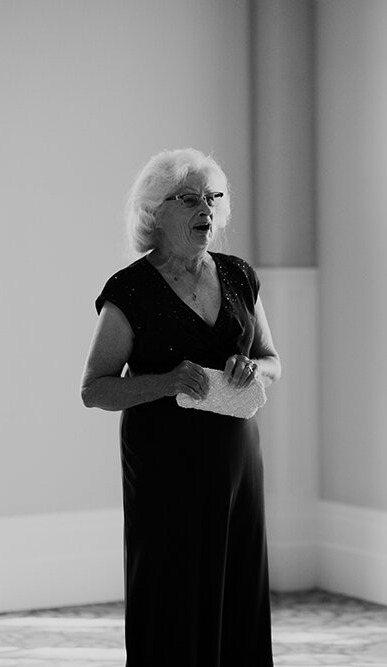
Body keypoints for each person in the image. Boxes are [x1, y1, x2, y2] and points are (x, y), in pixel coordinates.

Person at [81, 148, 280, 666]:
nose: (206, 209)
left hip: (237, 463)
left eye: (213, 197)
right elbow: (95, 388)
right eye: (189, 198)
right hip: (165, 467)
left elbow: (272, 360)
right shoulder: (131, 290)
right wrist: (166, 382)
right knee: (172, 594)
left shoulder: (239, 275)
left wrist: (253, 369)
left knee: (238, 589)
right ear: (154, 212)